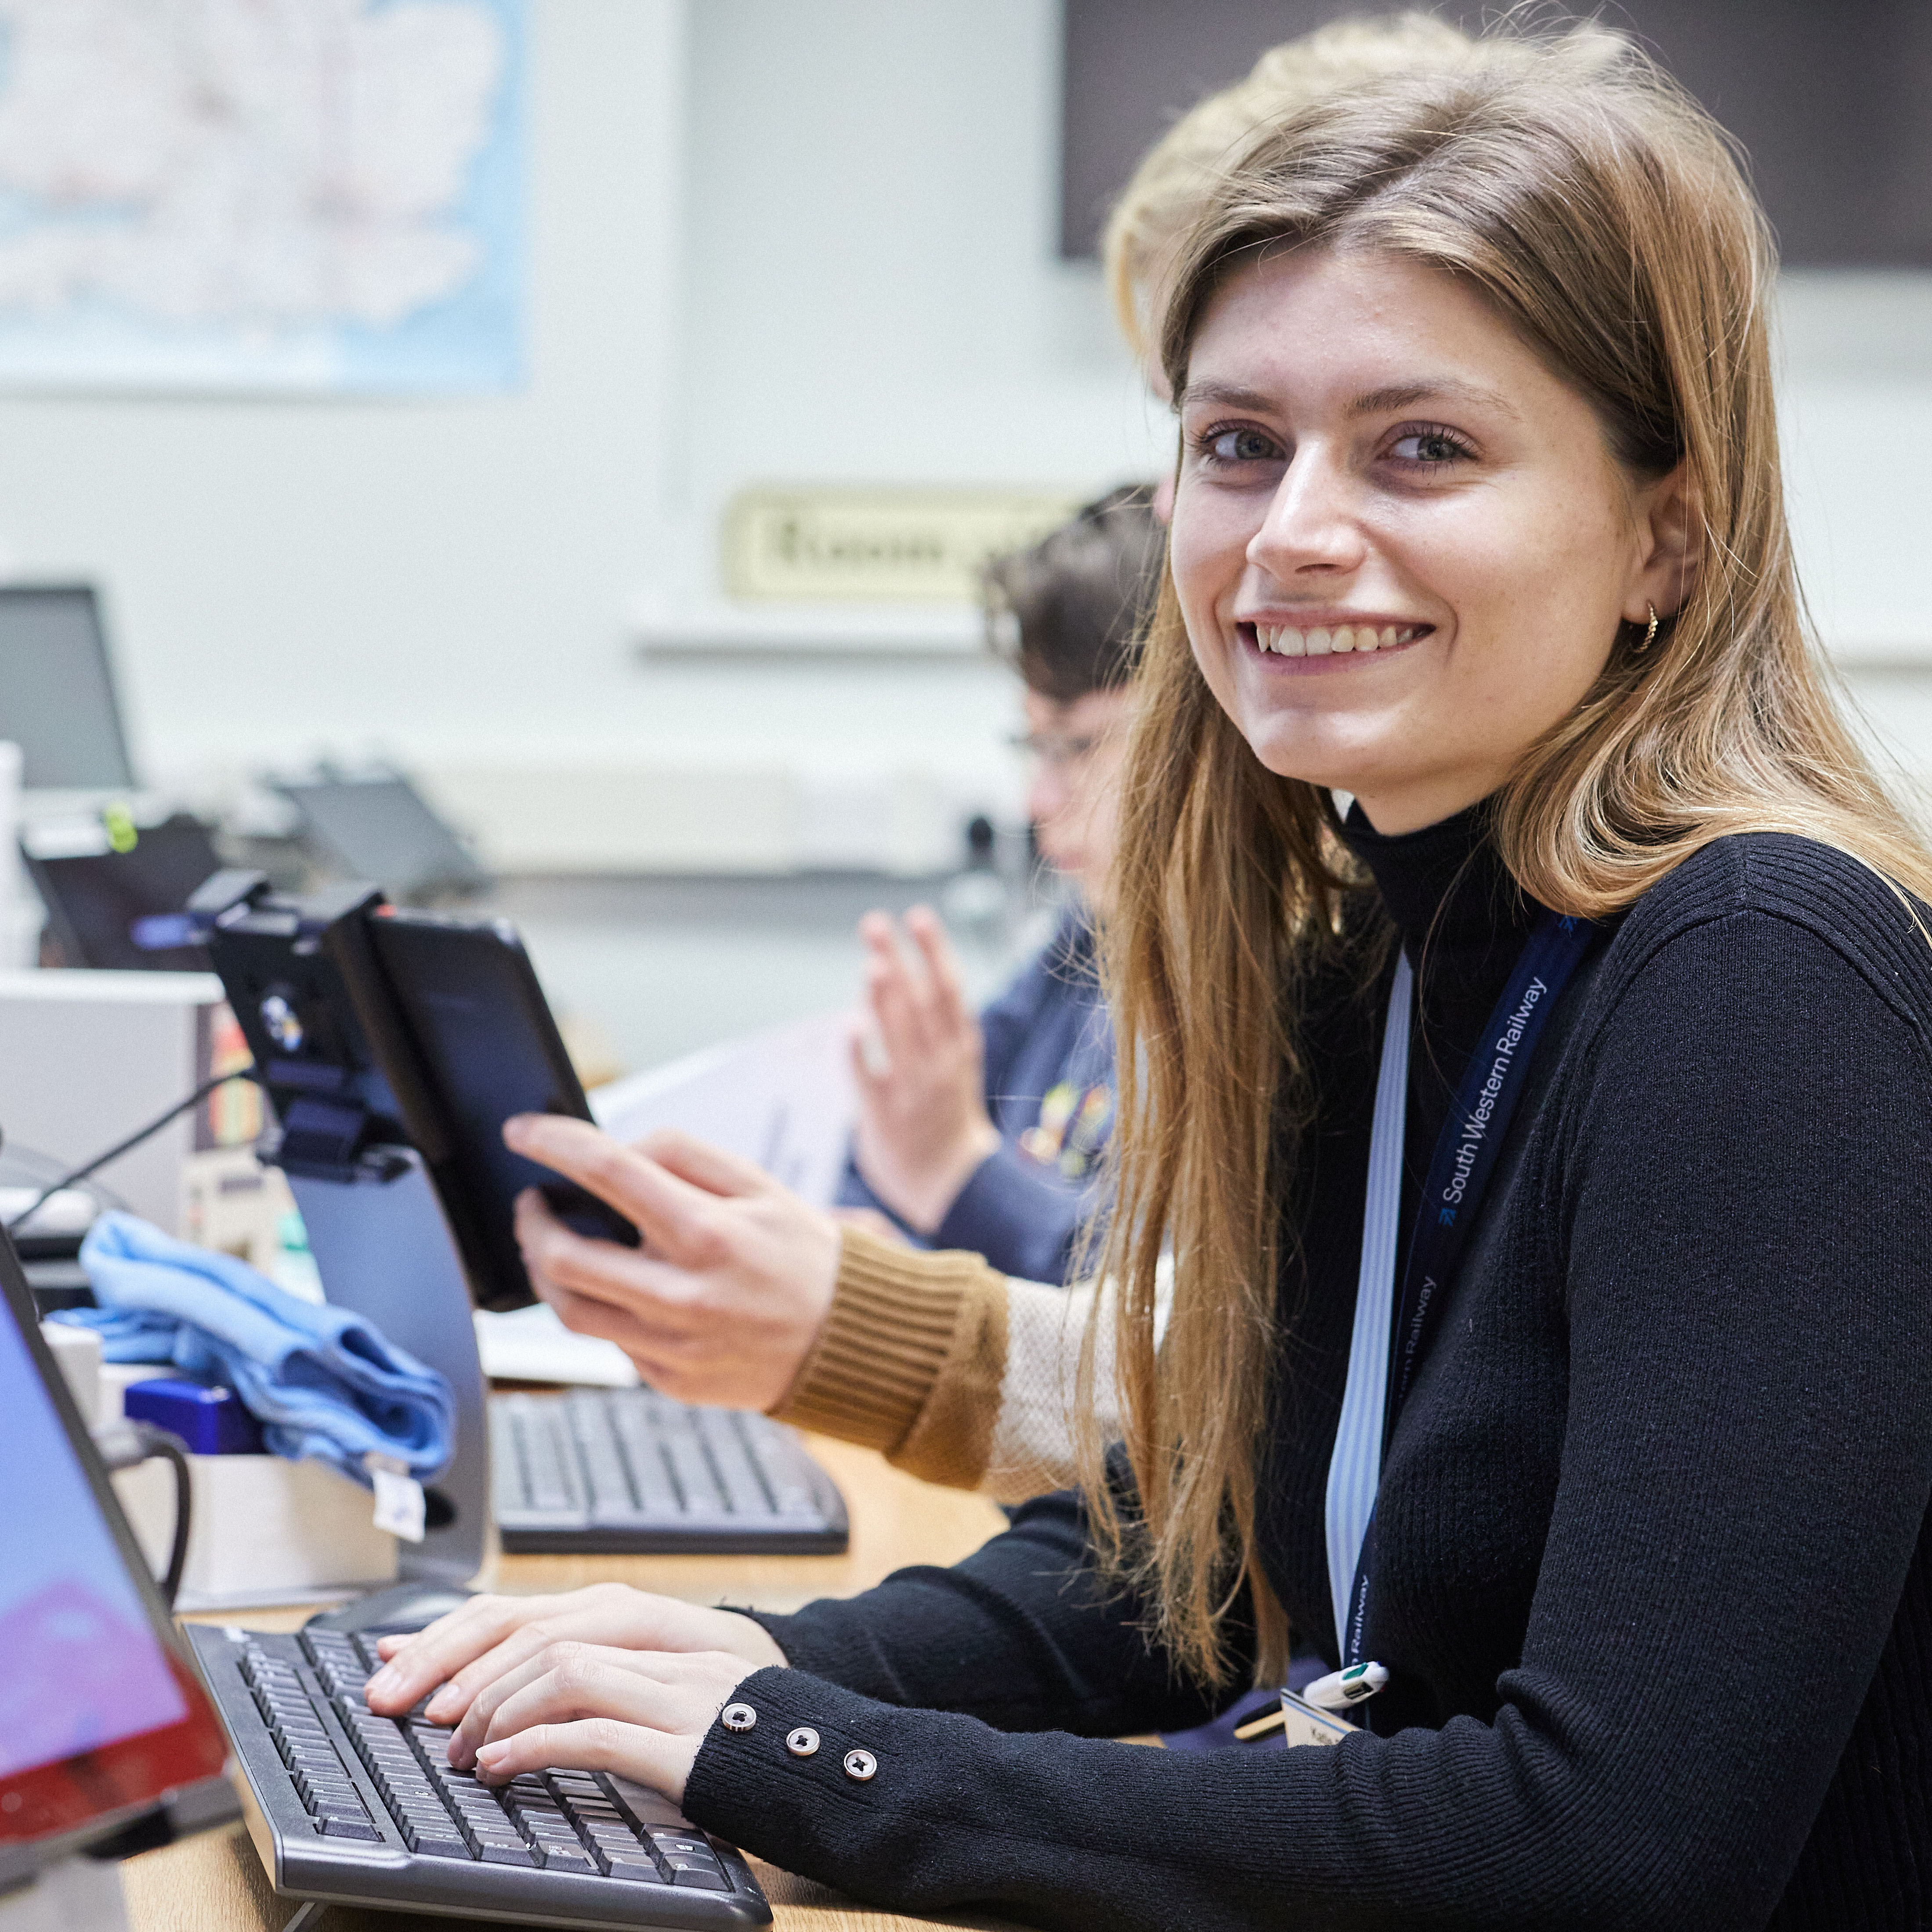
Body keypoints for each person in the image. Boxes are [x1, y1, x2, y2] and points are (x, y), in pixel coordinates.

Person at [370, 23, 1932, 1925]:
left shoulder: (1755, 973)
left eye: (1421, 447)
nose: (1293, 534)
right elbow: (1206, 1569)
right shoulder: (1380, 945)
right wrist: (738, 1662)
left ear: (1663, 534)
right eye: (1235, 444)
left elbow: (1604, 1845)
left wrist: (804, 1755)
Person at [494, 14, 1512, 1507]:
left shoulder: (1687, 956)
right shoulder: (1338, 873)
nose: (1200, 513)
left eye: (1411, 440)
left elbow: (1247, 1435)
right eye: (1219, 431)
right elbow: (1232, 1477)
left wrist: (899, 1257)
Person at [835, 488, 1158, 1288]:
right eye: (1034, 747)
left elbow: (1156, 1307)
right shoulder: (1089, 933)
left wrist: (957, 1176)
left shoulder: (1292, 988)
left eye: (1076, 747)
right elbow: (890, 1154)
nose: (1037, 800)